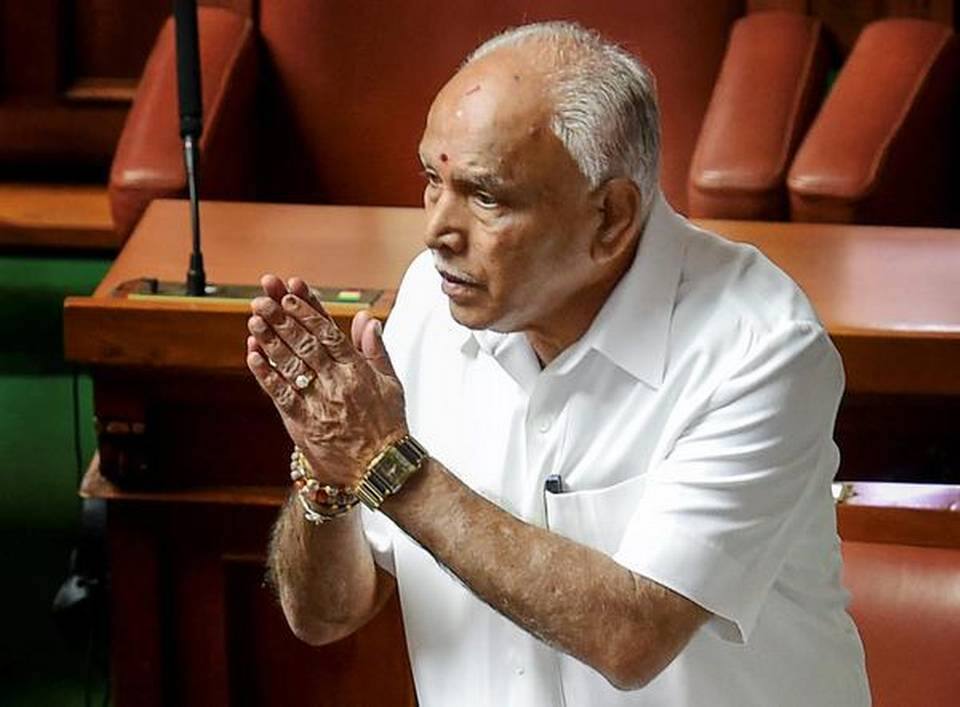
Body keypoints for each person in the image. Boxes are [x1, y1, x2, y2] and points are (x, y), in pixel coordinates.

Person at [245, 21, 870, 707]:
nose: (436, 232)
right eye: (432, 180)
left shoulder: (761, 349)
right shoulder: (431, 299)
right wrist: (327, 477)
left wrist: (382, 461)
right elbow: (324, 616)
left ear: (611, 217)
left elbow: (632, 635)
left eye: (486, 196)